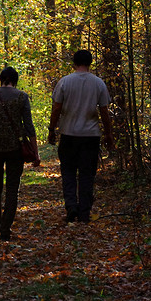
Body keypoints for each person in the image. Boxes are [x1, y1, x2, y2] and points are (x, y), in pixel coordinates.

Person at [48, 49, 114, 224]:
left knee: (68, 172)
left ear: (74, 63)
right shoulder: (98, 83)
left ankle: (71, 206)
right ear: (90, 63)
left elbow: (56, 108)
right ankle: (84, 212)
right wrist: (108, 134)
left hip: (68, 134)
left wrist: (52, 129)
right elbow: (104, 112)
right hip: (90, 136)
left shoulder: (64, 82)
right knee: (87, 174)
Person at [0, 66, 40, 240]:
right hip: (16, 148)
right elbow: (29, 127)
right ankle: (5, 229)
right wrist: (35, 152)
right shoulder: (22, 97)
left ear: (1, 79)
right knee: (13, 189)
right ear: (15, 80)